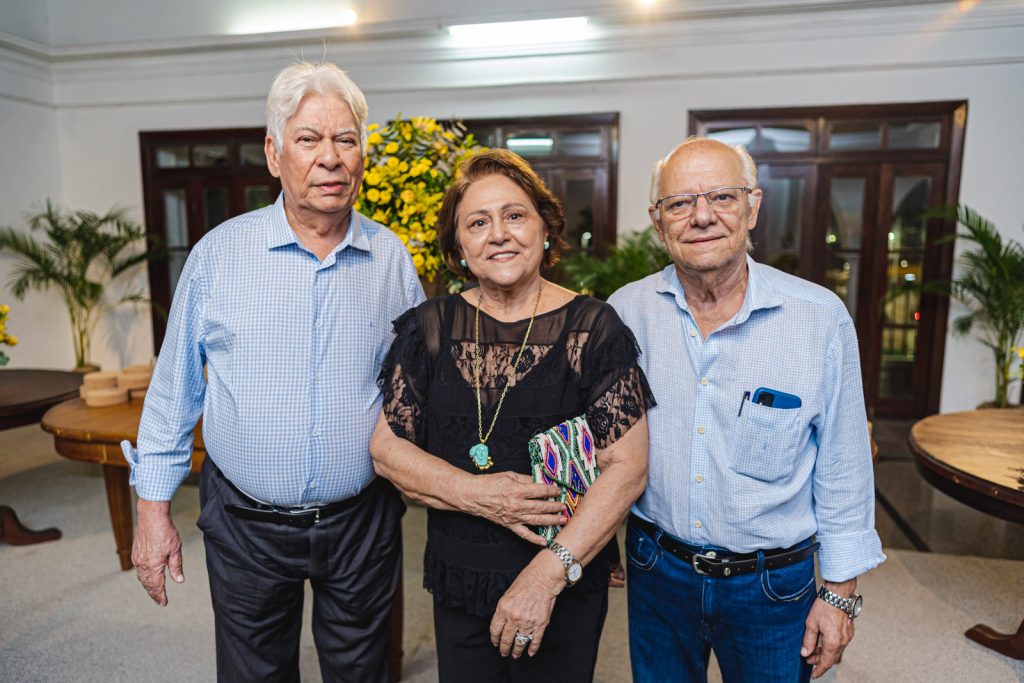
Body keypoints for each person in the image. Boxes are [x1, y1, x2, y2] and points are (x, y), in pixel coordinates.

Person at [120, 61, 424, 682]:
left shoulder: (391, 259)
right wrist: (152, 513)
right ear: (273, 153)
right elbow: (174, 390)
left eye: (345, 140)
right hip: (244, 523)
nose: (330, 158)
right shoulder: (218, 255)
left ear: (362, 155)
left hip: (361, 521)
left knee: (363, 672)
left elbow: (416, 388)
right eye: (309, 139)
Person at [608, 137, 885, 683]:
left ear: (752, 207)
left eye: (722, 197)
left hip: (772, 586)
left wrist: (839, 594)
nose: (702, 216)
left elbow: (844, 463)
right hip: (656, 570)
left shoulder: (818, 318)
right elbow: (604, 441)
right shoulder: (625, 312)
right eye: (680, 203)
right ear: (658, 222)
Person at [370, 149, 653, 682]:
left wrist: (546, 577)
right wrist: (480, 495)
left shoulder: (594, 329)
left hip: (562, 576)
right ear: (459, 246)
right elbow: (387, 450)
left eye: (514, 215)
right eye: (477, 223)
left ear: (544, 228)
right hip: (460, 577)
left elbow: (627, 468)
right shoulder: (429, 328)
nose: (498, 234)